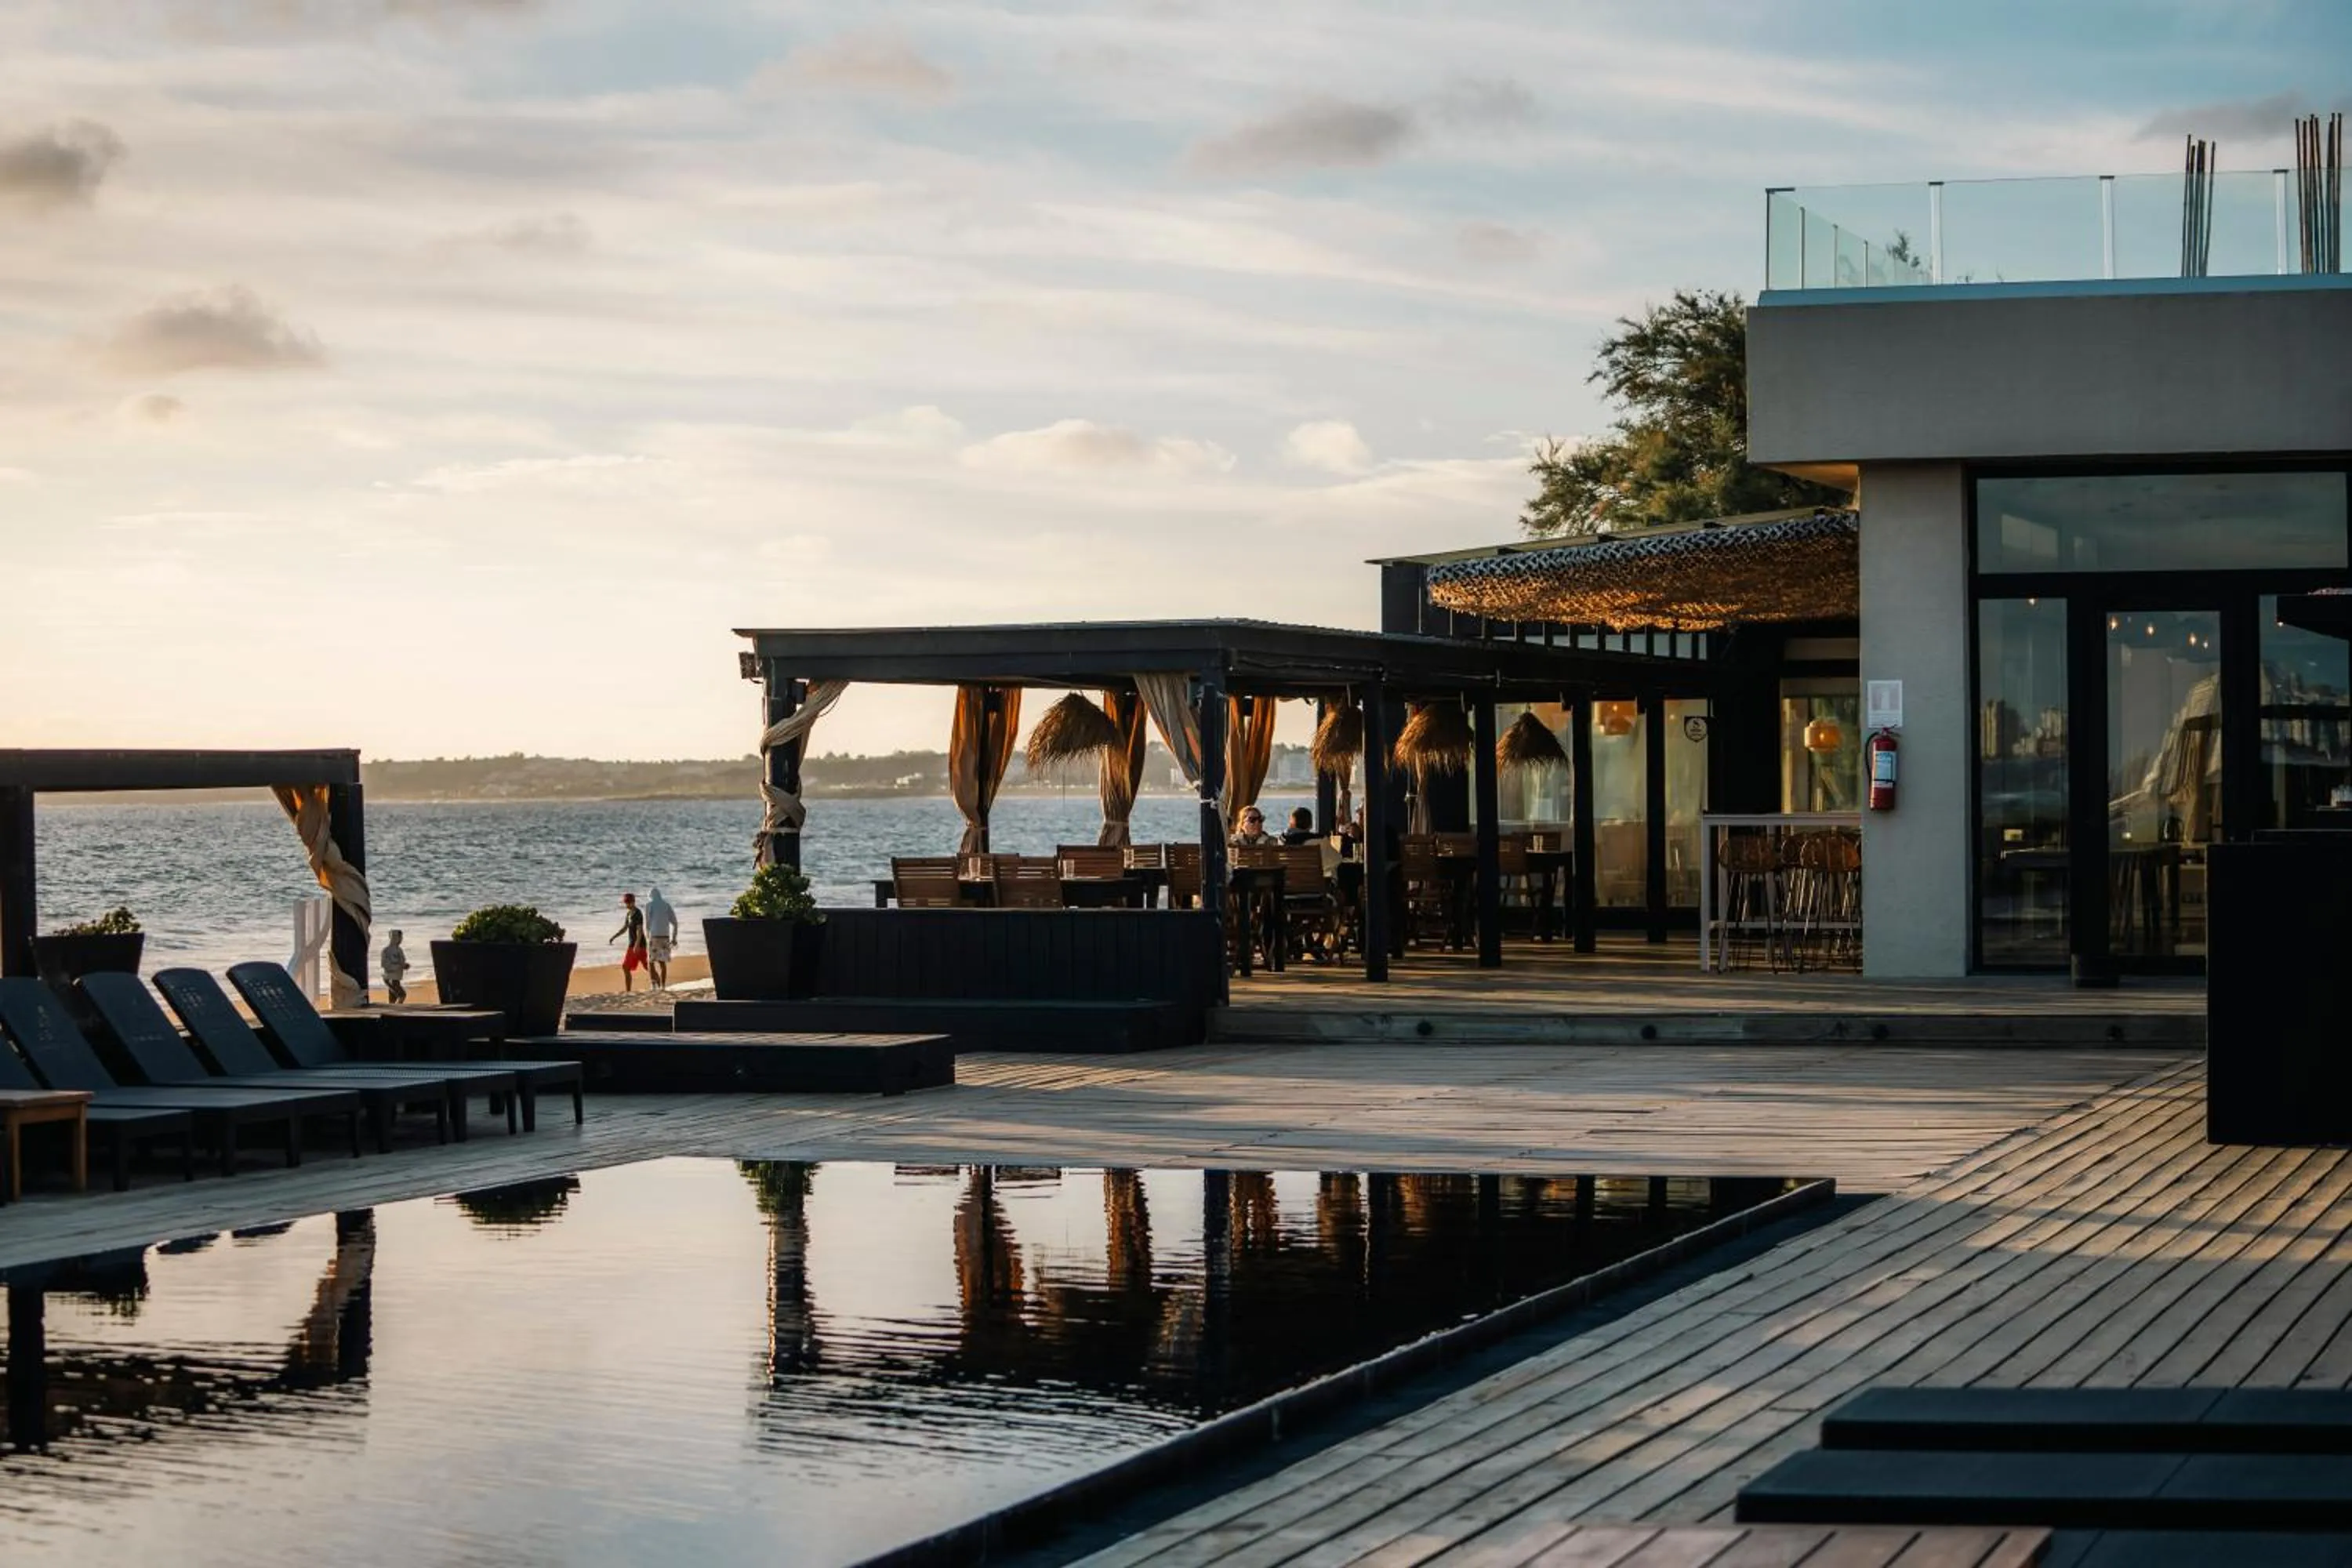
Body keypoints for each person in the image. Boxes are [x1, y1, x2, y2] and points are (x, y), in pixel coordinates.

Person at [643, 885, 679, 990]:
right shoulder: (666, 905)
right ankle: (663, 986)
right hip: (665, 936)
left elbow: (648, 922)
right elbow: (675, 923)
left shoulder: (649, 905)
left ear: (651, 896)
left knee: (651, 961)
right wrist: (674, 938)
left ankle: (653, 984)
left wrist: (647, 935)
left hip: (654, 936)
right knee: (662, 962)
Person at [611, 893, 648, 992]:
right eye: (626, 902)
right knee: (627, 967)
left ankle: (659, 985)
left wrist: (636, 945)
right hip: (633, 944)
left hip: (639, 945)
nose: (627, 905)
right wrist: (614, 937)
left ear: (633, 902)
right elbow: (625, 928)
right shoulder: (628, 914)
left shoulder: (638, 913)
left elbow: (640, 931)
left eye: (628, 902)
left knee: (646, 967)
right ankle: (628, 991)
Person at [380, 929, 408, 1005]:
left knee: (392, 999)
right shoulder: (386, 950)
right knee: (402, 995)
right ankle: (397, 1012)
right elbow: (384, 965)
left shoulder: (399, 950)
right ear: (395, 938)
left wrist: (404, 966)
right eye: (400, 937)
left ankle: (391, 1013)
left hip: (396, 978)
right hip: (390, 978)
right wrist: (400, 966)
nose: (401, 939)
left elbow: (400, 963)